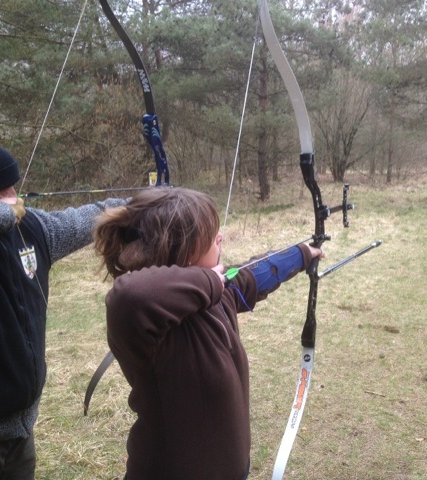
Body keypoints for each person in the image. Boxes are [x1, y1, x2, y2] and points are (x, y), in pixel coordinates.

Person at [93, 187, 323, 480]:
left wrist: (302, 254)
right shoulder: (144, 321)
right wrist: (211, 280)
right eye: (211, 235)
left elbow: (254, 274)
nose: (220, 238)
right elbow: (130, 293)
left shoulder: (218, 294)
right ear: (184, 249)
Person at [0, 136, 127, 479]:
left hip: (20, 428)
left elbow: (85, 219)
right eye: (1, 191)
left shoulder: (33, 228)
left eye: (14, 186)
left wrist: (139, 203)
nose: (14, 197)